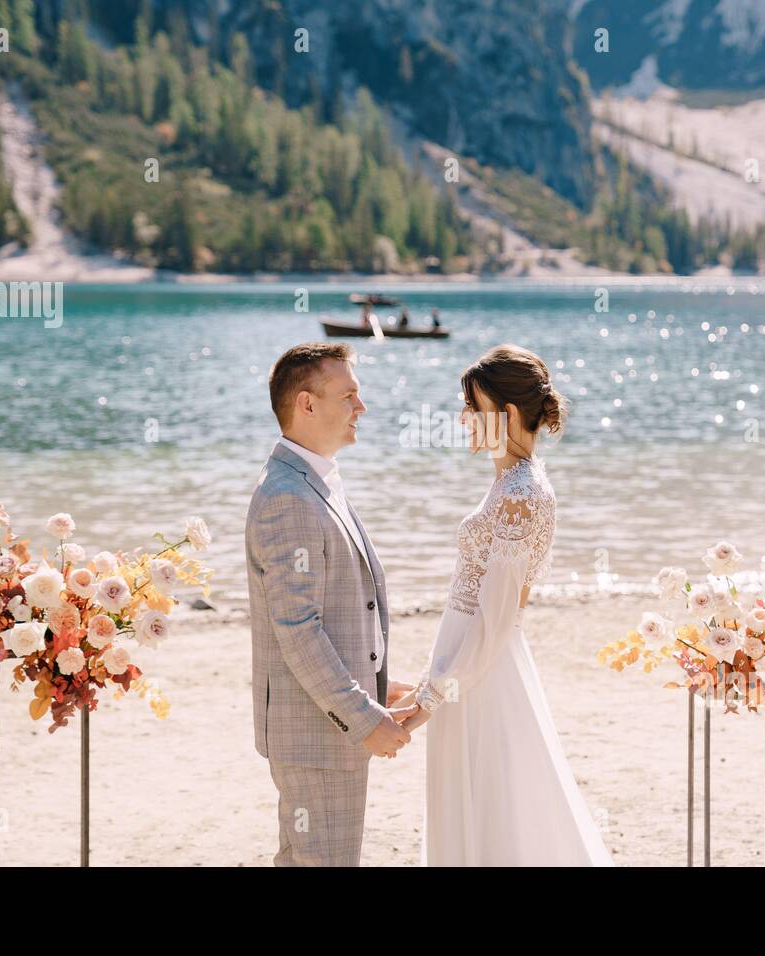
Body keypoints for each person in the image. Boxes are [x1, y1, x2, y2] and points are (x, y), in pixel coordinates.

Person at [395, 344, 615, 866]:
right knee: (479, 811)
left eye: (473, 407)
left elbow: (495, 618)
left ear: (508, 414)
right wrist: (433, 678)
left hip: (482, 675)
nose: (463, 418)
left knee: (494, 812)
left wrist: (431, 696)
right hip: (467, 669)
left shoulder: (522, 494)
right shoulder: (508, 484)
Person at [245, 342, 418, 866]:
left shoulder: (314, 482)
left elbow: (339, 612)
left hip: (323, 729)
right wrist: (364, 717)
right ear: (308, 405)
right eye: (350, 395)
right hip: (317, 735)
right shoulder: (288, 497)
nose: (361, 408)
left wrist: (380, 685)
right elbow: (298, 628)